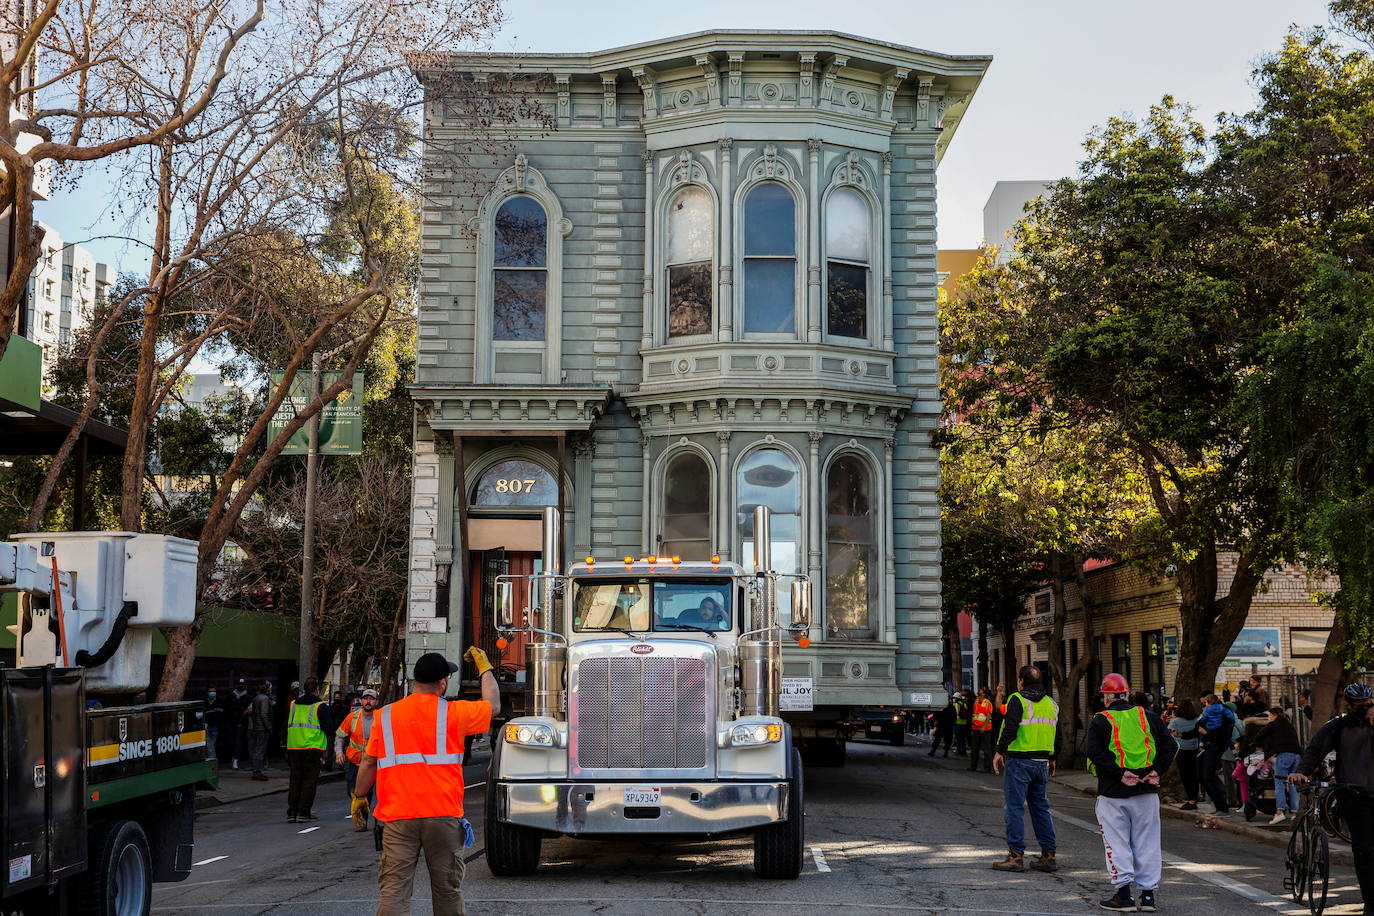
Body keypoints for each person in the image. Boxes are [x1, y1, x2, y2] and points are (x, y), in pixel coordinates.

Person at [356, 648, 498, 916]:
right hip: (442, 816)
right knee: (446, 890)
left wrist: (359, 796)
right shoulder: (454, 713)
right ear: (443, 682)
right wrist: (484, 668)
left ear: (415, 680)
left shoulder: (385, 716)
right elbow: (494, 705)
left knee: (394, 891)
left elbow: (368, 762)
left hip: (398, 817)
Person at [1085, 673, 1177, 912]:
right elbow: (1170, 745)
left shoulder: (1100, 720)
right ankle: (1148, 897)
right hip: (1147, 791)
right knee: (1147, 843)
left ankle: (1124, 896)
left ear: (1106, 697)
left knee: (1117, 843)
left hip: (1113, 793)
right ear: (1127, 693)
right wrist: (1157, 771)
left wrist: (1119, 774)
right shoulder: (1149, 716)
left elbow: (1093, 752)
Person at [1290, 683, 1374, 910]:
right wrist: (1301, 772)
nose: (1366, 708)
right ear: (1350, 705)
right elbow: (1315, 750)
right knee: (1364, 849)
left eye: (1369, 704)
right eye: (1361, 705)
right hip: (1354, 794)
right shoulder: (1339, 727)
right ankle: (1370, 902)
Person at [991, 665, 1059, 873]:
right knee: (1040, 808)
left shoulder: (1017, 700)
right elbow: (1056, 731)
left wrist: (999, 751)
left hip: (1020, 760)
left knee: (1014, 807)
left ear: (1021, 681)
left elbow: (1011, 728)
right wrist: (1053, 757)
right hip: (1042, 762)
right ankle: (1048, 856)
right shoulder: (1051, 703)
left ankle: (1015, 856)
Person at [285, 676, 334, 823]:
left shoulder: (293, 704)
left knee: (295, 780)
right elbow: (329, 728)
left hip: (293, 746)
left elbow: (285, 725)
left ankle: (292, 812)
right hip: (312, 748)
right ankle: (303, 812)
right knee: (309, 781)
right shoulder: (320, 706)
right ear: (317, 689)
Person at [1250, 706, 1302, 825]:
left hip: (1284, 755)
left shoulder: (1274, 724)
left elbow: (1259, 736)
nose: (1269, 718)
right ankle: (1294, 813)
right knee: (1293, 783)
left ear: (1274, 715)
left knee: (1279, 783)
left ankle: (1279, 812)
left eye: (1270, 716)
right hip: (1297, 755)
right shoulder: (1289, 725)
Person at [337, 688, 379, 831]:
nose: (368, 701)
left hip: (372, 763)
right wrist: (338, 753)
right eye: (365, 698)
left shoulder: (379, 719)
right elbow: (340, 735)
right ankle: (359, 806)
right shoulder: (352, 717)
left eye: (371, 699)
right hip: (355, 762)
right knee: (352, 789)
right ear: (361, 701)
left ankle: (363, 822)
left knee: (367, 792)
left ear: (376, 702)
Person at [1196, 693, 1237, 816]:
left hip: (1215, 745)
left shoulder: (1224, 716)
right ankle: (1219, 803)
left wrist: (1207, 733)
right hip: (1209, 745)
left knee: (1208, 775)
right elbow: (1198, 726)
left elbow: (1223, 734)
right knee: (1201, 775)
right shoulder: (1211, 713)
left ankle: (1222, 806)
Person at [1168, 698, 1202, 811]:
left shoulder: (1176, 721)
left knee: (1186, 776)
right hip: (1196, 749)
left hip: (1182, 750)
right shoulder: (1197, 720)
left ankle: (1191, 799)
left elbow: (1170, 734)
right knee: (1194, 775)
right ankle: (1196, 796)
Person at [247, 680, 274, 781]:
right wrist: (269, 727)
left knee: (256, 750)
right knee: (259, 750)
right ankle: (257, 772)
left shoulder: (256, 698)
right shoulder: (265, 699)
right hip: (261, 728)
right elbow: (264, 714)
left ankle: (256, 770)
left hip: (256, 727)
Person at [226, 678, 251, 769]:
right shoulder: (231, 696)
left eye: (243, 684)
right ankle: (231, 758)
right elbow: (226, 709)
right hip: (231, 722)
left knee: (238, 742)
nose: (241, 686)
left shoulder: (248, 697)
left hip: (241, 723)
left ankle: (236, 759)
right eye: (239, 684)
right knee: (230, 741)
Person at [969, 687, 995, 773]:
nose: (978, 691)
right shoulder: (976, 701)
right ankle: (973, 767)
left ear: (983, 693)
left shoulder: (987, 703)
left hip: (986, 729)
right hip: (976, 728)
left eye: (980, 690)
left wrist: (983, 727)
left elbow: (988, 716)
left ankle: (987, 768)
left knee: (986, 749)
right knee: (974, 748)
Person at [203, 687, 225, 762]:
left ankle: (212, 760)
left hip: (215, 726)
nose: (212, 693)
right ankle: (210, 759)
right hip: (206, 726)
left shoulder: (219, 702)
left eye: (214, 691)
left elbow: (222, 713)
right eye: (211, 691)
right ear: (207, 692)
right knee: (208, 744)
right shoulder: (204, 702)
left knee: (212, 743)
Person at [953, 692, 971, 756]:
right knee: (963, 739)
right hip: (964, 724)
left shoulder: (955, 704)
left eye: (954, 698)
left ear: (957, 698)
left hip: (957, 724)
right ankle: (964, 751)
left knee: (958, 739)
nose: (953, 699)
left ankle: (959, 751)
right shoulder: (964, 704)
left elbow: (955, 714)